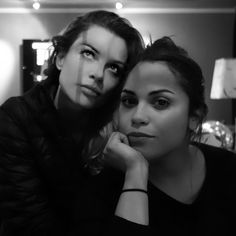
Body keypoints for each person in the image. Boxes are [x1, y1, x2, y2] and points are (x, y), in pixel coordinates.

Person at [0, 10, 144, 235]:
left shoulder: (117, 129)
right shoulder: (16, 117)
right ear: (60, 58)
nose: (98, 74)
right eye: (88, 53)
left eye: (113, 68)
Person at [101, 36, 236, 235]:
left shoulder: (229, 170)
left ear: (194, 117)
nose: (138, 117)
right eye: (129, 101)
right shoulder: (101, 190)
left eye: (161, 102)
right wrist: (135, 175)